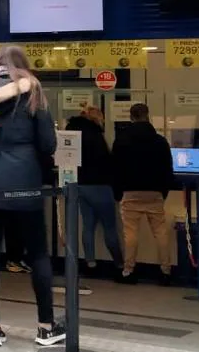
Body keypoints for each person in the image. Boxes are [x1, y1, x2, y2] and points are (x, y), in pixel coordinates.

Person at [0, 45, 63, 348]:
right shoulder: (33, 90)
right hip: (24, 177)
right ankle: (45, 327)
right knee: (36, 252)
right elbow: (48, 144)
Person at [112, 103, 175, 285]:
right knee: (160, 232)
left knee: (130, 233)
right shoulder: (160, 141)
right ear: (148, 116)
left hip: (130, 191)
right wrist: (163, 192)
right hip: (154, 192)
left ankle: (128, 271)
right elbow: (167, 169)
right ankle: (166, 271)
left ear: (131, 117)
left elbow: (115, 169)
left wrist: (118, 193)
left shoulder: (122, 140)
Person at [65, 105, 126, 279]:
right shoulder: (96, 136)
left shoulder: (72, 134)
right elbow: (107, 163)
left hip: (80, 185)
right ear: (96, 118)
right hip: (100, 185)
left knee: (88, 226)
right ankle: (119, 264)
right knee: (110, 228)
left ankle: (90, 263)